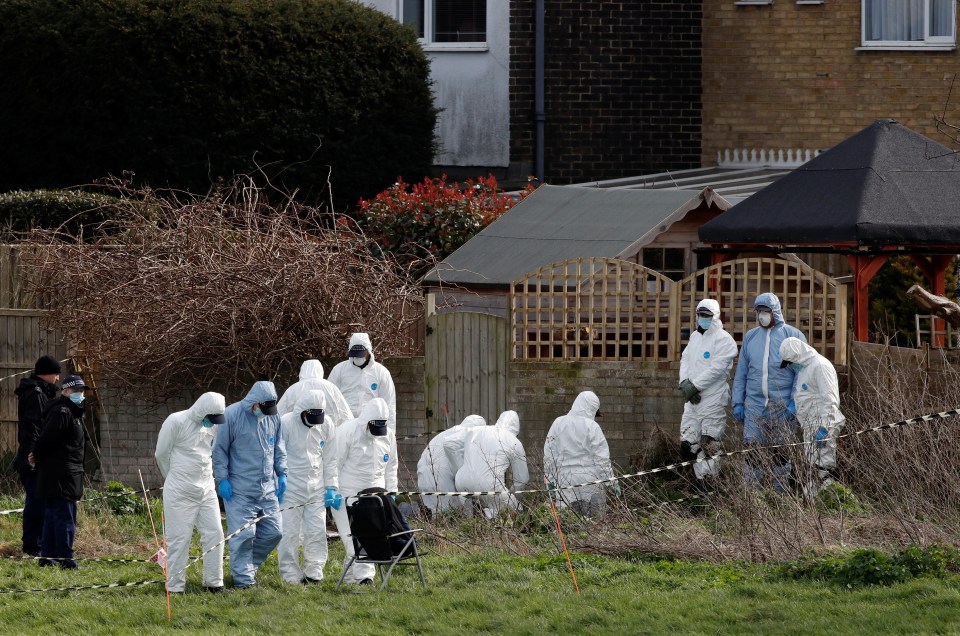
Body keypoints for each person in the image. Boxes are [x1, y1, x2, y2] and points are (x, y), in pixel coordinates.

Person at [212, 380, 287, 589]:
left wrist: (282, 474)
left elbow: (278, 447)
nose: (266, 412)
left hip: (267, 488)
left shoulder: (274, 417)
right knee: (243, 535)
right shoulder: (231, 415)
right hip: (239, 489)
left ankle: (247, 567)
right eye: (263, 409)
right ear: (254, 403)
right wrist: (222, 479)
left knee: (275, 532)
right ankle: (243, 582)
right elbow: (219, 450)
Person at [731, 292, 806, 490]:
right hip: (754, 405)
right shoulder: (751, 337)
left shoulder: (793, 336)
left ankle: (780, 498)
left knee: (781, 455)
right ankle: (753, 499)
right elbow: (742, 372)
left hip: (782, 407)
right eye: (759, 312)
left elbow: (801, 373)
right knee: (752, 452)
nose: (762, 316)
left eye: (765, 311)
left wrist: (794, 402)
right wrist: (738, 401)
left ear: (775, 312)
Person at [154, 391, 227, 594]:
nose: (213, 423)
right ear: (201, 411)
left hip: (206, 489)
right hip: (179, 490)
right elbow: (161, 453)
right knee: (179, 538)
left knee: (215, 533)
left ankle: (214, 583)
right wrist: (173, 478)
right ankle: (175, 587)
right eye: (210, 419)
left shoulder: (212, 426)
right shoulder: (176, 421)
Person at [326, 397, 398, 585]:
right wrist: (332, 488)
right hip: (346, 495)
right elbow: (334, 462)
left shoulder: (388, 436)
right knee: (355, 541)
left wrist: (392, 490)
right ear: (366, 421)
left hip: (375, 497)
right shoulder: (347, 432)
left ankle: (354, 579)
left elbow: (391, 465)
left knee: (369, 537)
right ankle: (363, 578)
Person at [277, 390, 336, 585]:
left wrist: (331, 487)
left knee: (317, 530)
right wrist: (278, 479)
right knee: (289, 532)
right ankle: (290, 574)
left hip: (316, 487)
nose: (313, 421)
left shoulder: (326, 424)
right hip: (290, 487)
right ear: (301, 411)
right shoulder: (285, 423)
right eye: (311, 417)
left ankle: (314, 571)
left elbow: (330, 458)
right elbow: (275, 455)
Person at [678, 299, 738, 486]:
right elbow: (685, 359)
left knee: (709, 442)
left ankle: (710, 486)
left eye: (707, 315)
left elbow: (716, 369)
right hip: (692, 399)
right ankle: (698, 482)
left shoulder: (724, 340)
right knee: (688, 443)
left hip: (712, 398)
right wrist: (684, 383)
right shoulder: (695, 337)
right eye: (700, 314)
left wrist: (694, 386)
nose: (703, 318)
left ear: (716, 316)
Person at [31, 374, 87, 569]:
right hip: (61, 474)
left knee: (55, 516)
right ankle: (65, 559)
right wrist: (35, 454)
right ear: (65, 391)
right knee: (65, 518)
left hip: (64, 473)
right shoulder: (63, 412)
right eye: (76, 391)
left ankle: (48, 558)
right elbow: (46, 438)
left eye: (82, 391)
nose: (80, 394)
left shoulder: (74, 411)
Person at [779, 337, 846, 496]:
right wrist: (796, 406)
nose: (790, 366)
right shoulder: (805, 368)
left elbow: (830, 401)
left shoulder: (820, 366)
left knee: (823, 468)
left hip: (822, 428)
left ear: (797, 355)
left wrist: (825, 428)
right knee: (812, 468)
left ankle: (829, 504)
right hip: (811, 428)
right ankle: (814, 506)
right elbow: (807, 394)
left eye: (790, 362)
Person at [13, 355, 60, 557]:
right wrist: (33, 457)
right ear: (48, 374)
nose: (58, 379)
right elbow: (34, 428)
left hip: (37, 456)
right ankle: (32, 546)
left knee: (40, 501)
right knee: (36, 503)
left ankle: (39, 544)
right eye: (56, 374)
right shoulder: (35, 394)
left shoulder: (40, 392)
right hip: (33, 458)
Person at [543, 392, 615, 515]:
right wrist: (611, 482)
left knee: (569, 522)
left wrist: (550, 480)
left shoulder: (558, 423)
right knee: (594, 524)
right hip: (591, 480)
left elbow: (550, 455)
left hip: (565, 481)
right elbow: (601, 459)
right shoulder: (592, 426)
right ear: (592, 409)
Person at [456, 410, 529, 519]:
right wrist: (512, 495)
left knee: (481, 504)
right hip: (490, 486)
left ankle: (473, 513)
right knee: (514, 508)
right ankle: (483, 516)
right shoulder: (514, 441)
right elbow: (522, 479)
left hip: (461, 481)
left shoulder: (477, 430)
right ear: (516, 430)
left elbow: (455, 446)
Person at [416, 414, 486, 515]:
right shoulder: (467, 433)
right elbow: (451, 447)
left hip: (423, 474)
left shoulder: (445, 433)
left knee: (432, 513)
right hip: (442, 478)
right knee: (448, 516)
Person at [328, 333, 397, 433]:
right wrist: (331, 429)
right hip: (343, 428)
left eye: (361, 353)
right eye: (354, 354)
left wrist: (390, 434)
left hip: (370, 428)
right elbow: (330, 399)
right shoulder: (339, 370)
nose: (357, 357)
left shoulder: (381, 372)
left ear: (368, 351)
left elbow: (389, 404)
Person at [276, 359, 353, 426]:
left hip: (300, 435)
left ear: (302, 371)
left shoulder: (293, 389)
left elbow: (279, 413)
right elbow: (345, 413)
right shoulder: (330, 387)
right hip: (328, 433)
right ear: (320, 370)